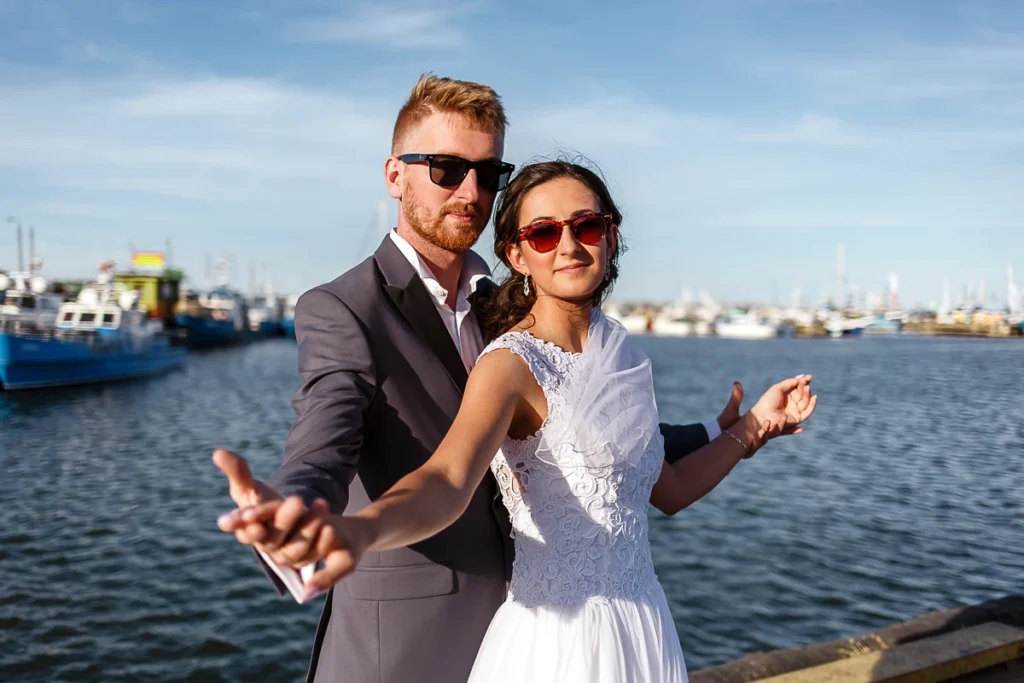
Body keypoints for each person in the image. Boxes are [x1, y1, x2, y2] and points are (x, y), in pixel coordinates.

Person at [213, 75, 813, 683]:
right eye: (447, 168)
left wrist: (734, 428)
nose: (471, 190)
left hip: (595, 629)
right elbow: (342, 441)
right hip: (410, 644)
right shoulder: (345, 308)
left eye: (488, 172)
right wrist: (309, 511)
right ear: (395, 175)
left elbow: (595, 439)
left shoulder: (536, 314)